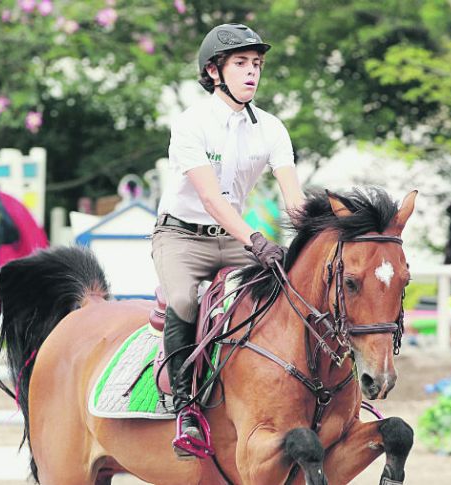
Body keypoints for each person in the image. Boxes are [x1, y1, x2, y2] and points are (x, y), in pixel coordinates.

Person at [151, 23, 305, 458]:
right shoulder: (191, 124)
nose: (252, 72)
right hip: (182, 236)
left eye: (256, 64)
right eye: (241, 64)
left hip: (235, 238)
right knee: (183, 300)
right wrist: (256, 239)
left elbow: (294, 200)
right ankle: (184, 408)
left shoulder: (272, 128)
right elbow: (210, 198)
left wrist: (318, 232)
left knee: (283, 297)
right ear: (214, 71)